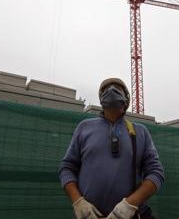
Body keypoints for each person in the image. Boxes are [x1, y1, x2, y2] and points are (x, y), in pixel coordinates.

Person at [59, 78, 164, 219]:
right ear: (101, 100)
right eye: (106, 89)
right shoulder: (84, 127)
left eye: (117, 88)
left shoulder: (140, 132)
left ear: (126, 100)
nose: (111, 90)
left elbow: (156, 173)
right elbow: (67, 168)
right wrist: (78, 202)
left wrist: (130, 205)